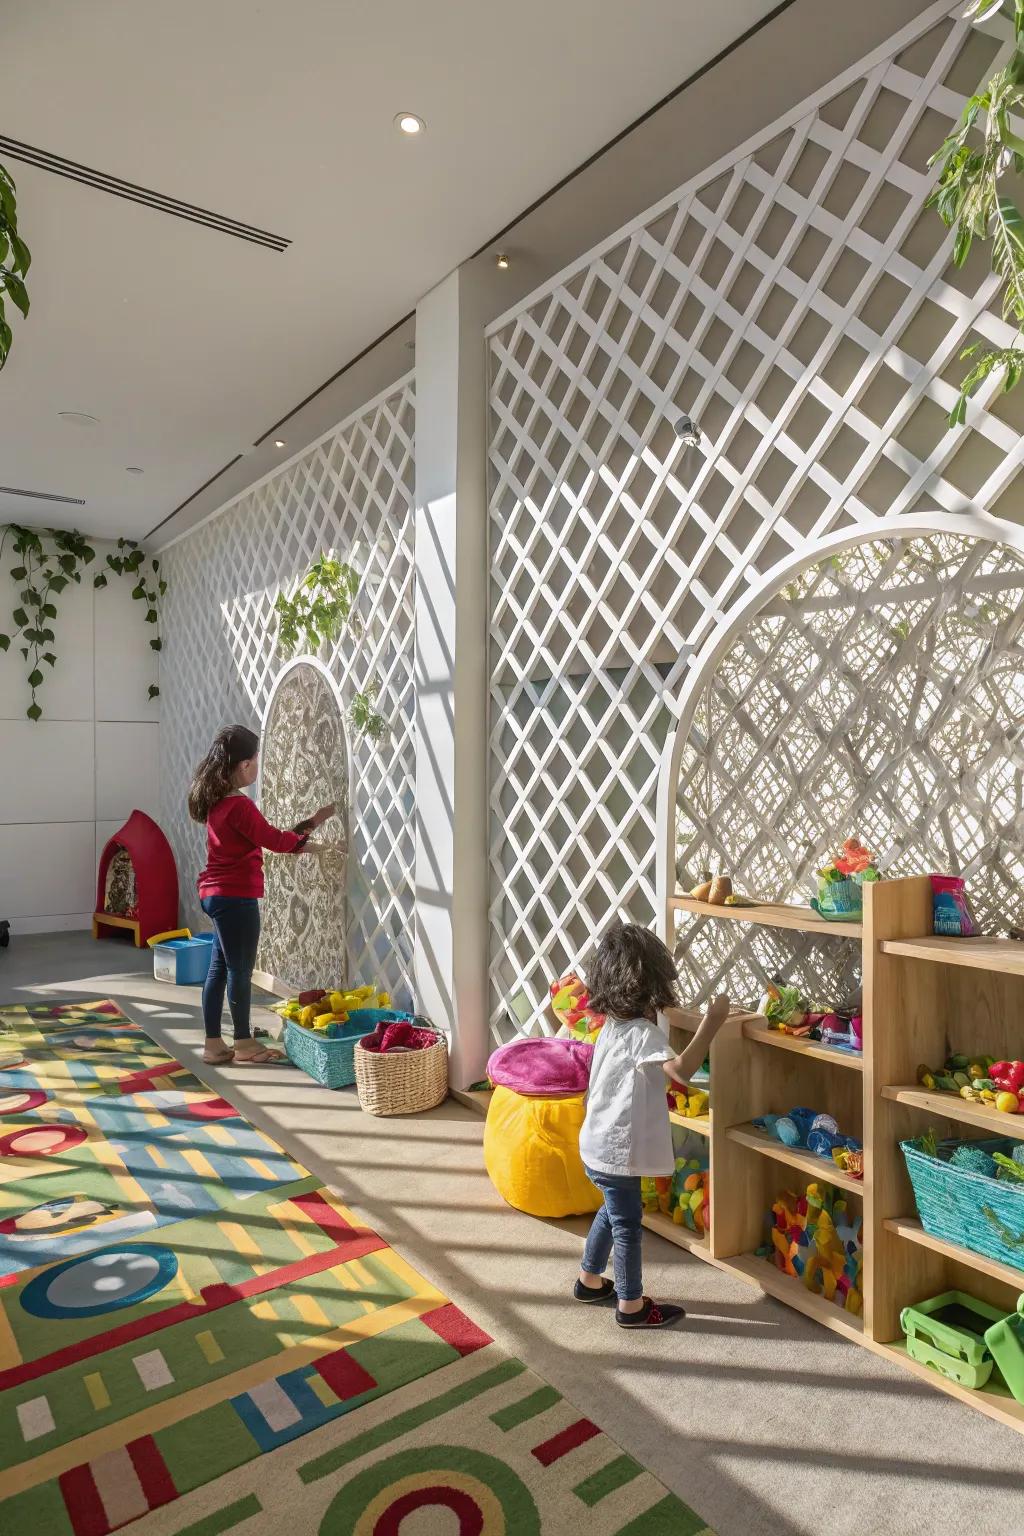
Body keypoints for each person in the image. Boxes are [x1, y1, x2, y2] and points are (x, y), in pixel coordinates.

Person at [576, 922, 730, 1328]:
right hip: (615, 1151)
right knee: (627, 1224)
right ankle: (631, 1305)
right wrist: (712, 1022)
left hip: (595, 1145)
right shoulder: (642, 1033)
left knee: (612, 1211)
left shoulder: (612, 1025)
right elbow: (680, 1071)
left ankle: (589, 1280)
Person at [187, 724, 334, 1066]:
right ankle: (244, 1044)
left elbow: (267, 838)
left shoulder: (217, 803)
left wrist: (309, 829)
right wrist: (317, 826)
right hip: (235, 898)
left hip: (214, 895)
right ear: (244, 765)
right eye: (256, 759)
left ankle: (214, 1044)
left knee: (219, 969)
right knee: (240, 971)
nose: (257, 765)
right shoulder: (240, 806)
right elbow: (276, 841)